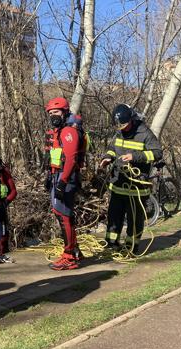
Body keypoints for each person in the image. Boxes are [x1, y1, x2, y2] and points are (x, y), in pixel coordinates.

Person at [99, 104, 162, 254]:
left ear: (132, 120)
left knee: (135, 218)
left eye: (125, 126)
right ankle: (112, 243)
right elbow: (112, 148)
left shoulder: (144, 133)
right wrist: (107, 157)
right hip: (118, 183)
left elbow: (157, 153)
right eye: (119, 126)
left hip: (136, 186)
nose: (122, 129)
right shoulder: (119, 132)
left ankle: (131, 246)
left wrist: (135, 157)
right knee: (114, 215)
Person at [44, 97, 87, 270]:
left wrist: (61, 183)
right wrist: (50, 176)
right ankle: (75, 251)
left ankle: (69, 256)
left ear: (64, 112)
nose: (53, 116)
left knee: (64, 216)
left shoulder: (68, 131)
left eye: (56, 112)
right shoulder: (60, 129)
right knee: (64, 215)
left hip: (66, 178)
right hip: (58, 176)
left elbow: (70, 159)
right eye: (51, 113)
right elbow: (57, 157)